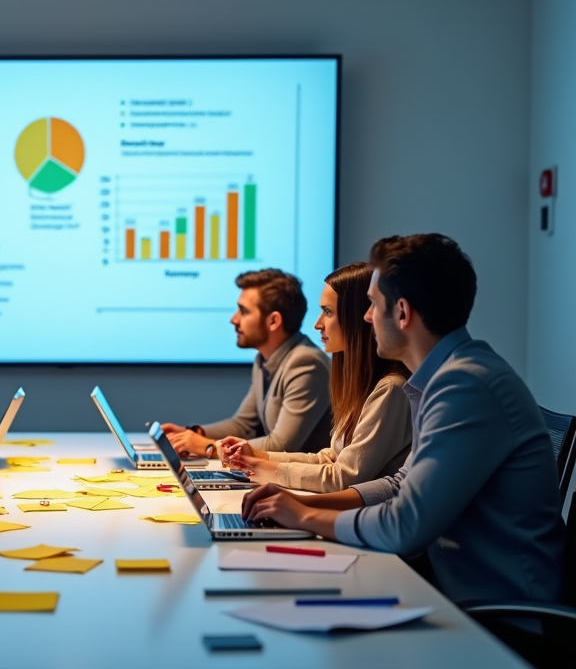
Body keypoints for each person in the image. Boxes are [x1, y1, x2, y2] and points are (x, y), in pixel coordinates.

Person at [241, 234, 565, 604]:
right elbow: (399, 485)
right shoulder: (447, 377)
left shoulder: (466, 386)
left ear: (403, 313)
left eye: (373, 304)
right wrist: (303, 504)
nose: (365, 317)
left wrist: (304, 518)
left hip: (497, 617)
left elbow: (404, 526)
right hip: (451, 591)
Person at [219, 262, 412, 492]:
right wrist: (259, 455)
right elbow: (330, 458)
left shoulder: (391, 389)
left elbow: (342, 478)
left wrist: (262, 467)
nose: (317, 324)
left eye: (328, 312)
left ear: (358, 319)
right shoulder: (361, 384)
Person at [161, 268, 331, 458]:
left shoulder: (307, 364)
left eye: (243, 311)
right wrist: (193, 434)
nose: (234, 319)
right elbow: (244, 425)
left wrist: (209, 447)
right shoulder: (264, 358)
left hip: (305, 486)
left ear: (273, 321)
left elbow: (282, 444)